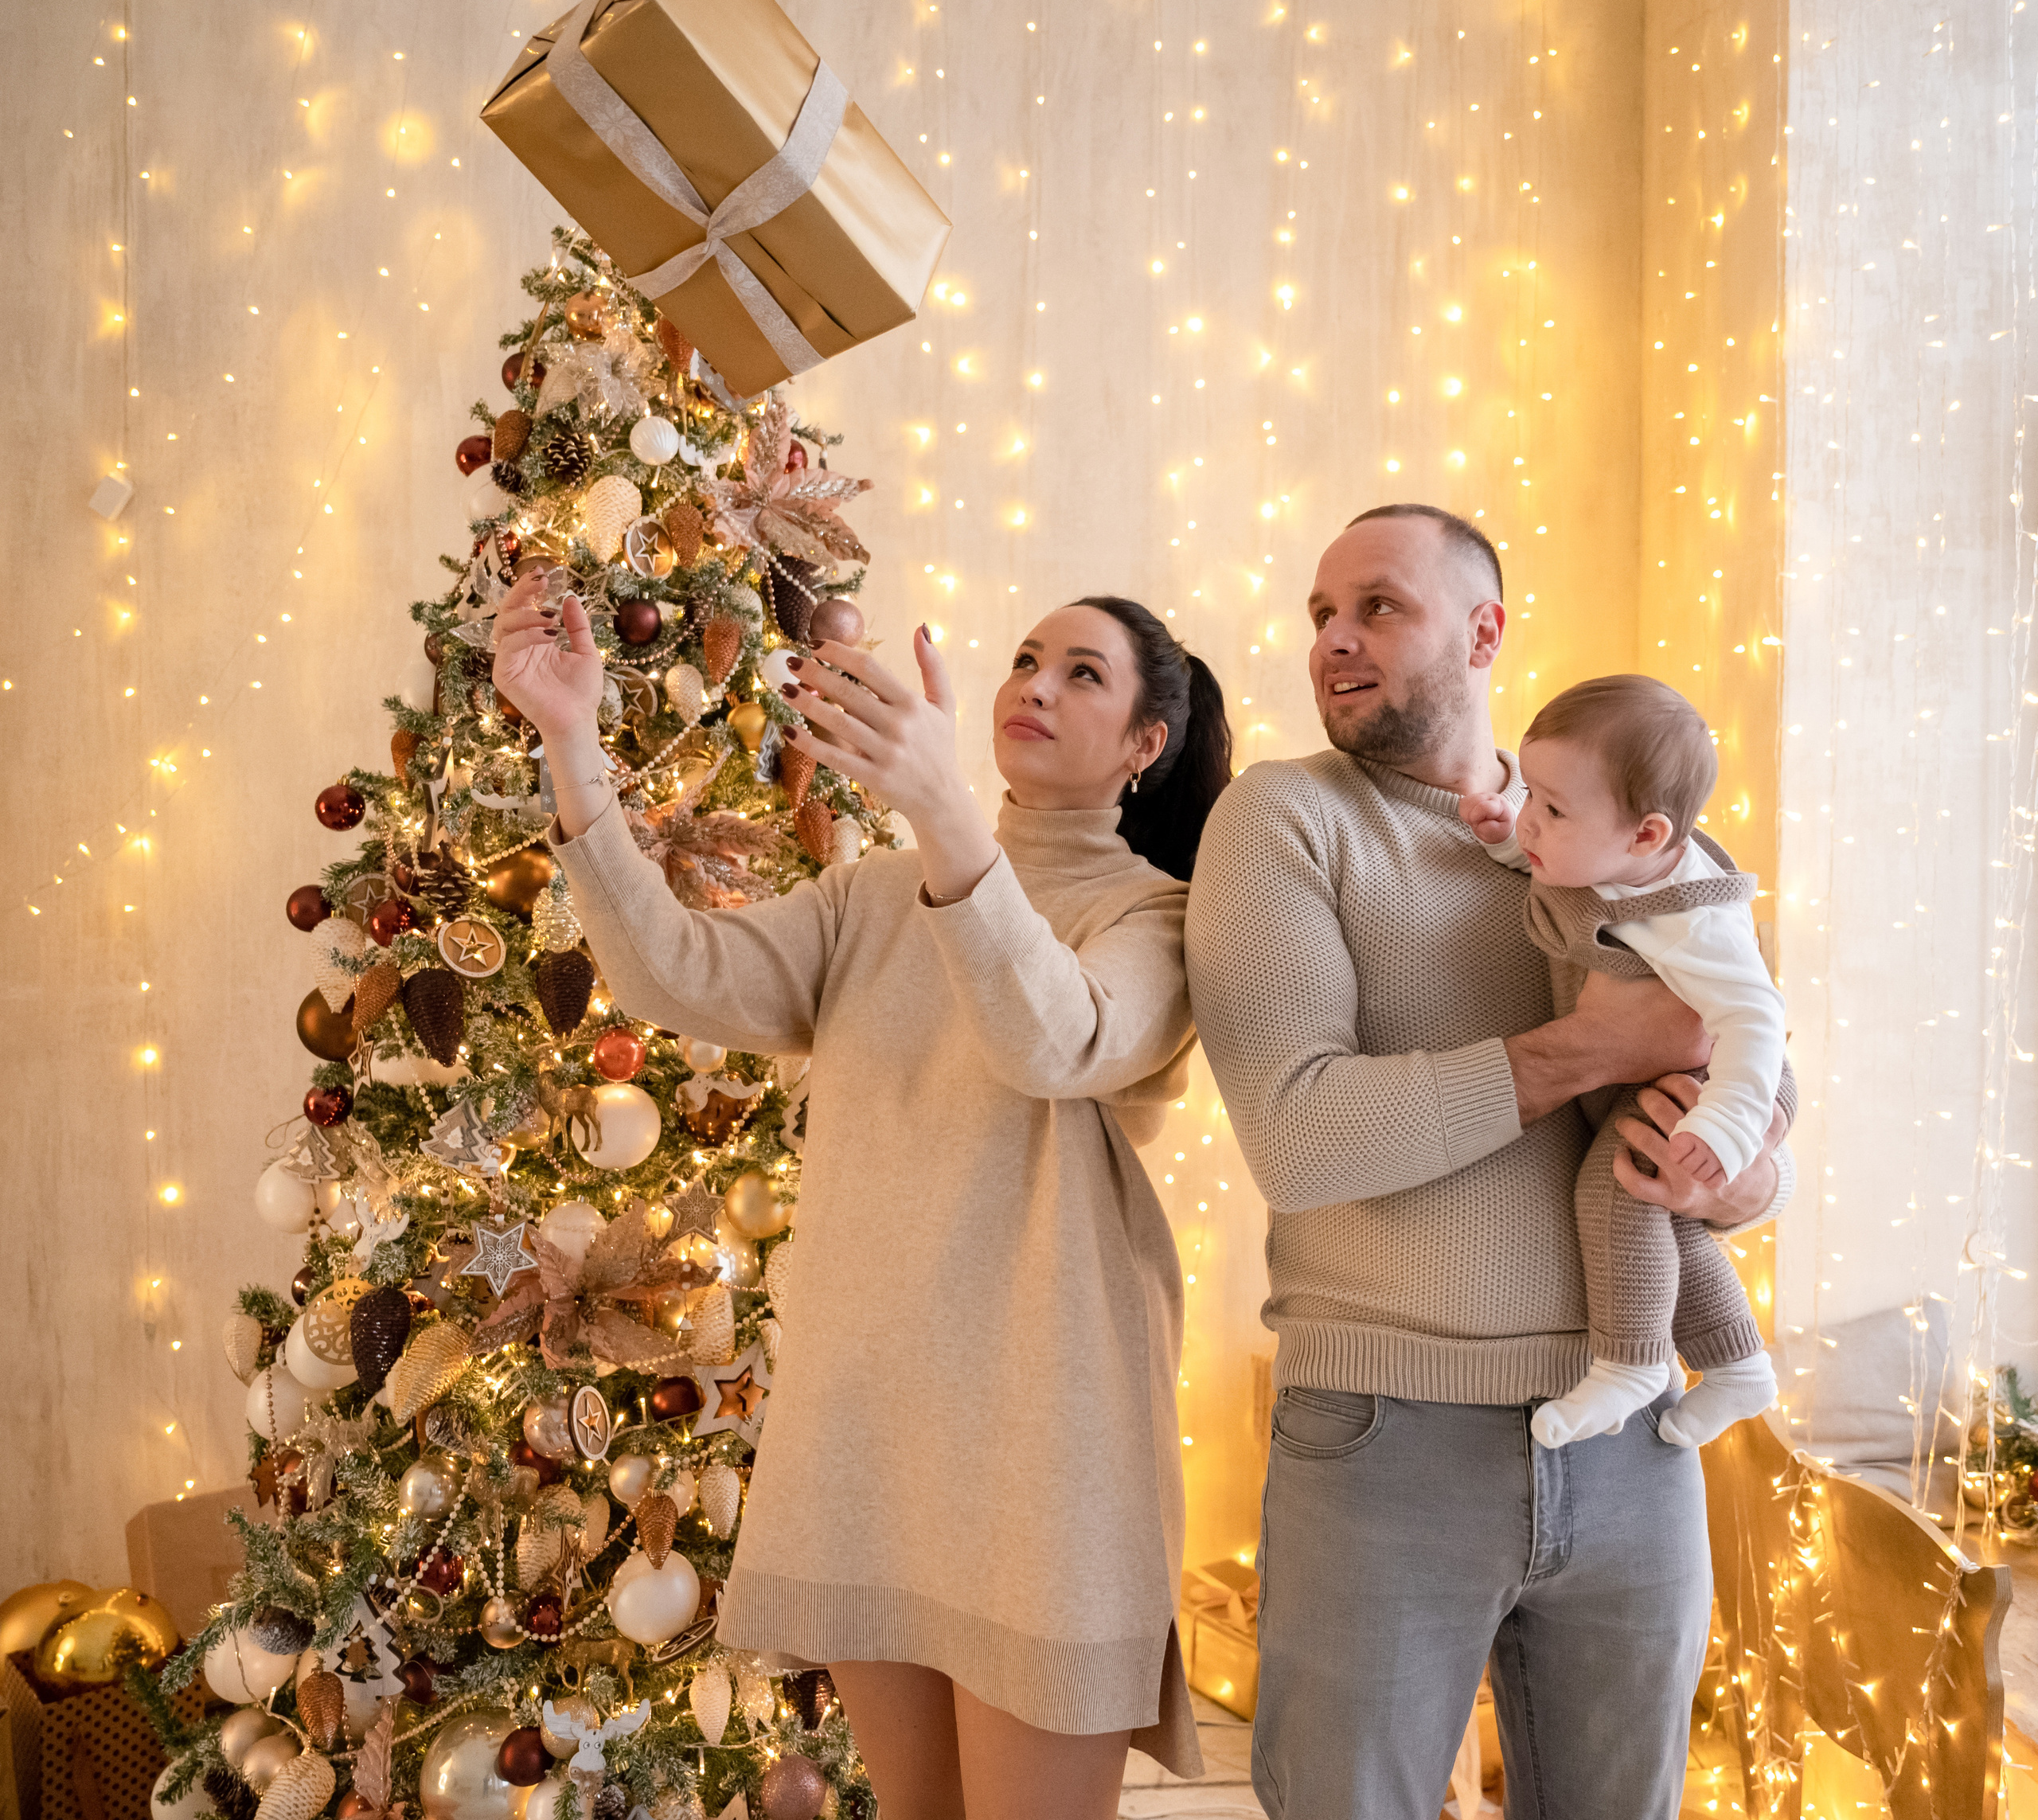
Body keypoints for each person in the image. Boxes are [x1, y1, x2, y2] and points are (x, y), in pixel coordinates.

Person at [493, 575, 1232, 1820]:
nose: (1033, 686)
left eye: (1083, 673)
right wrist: (572, 745)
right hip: (878, 1436)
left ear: (1145, 746)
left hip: (1048, 1456)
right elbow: (676, 970)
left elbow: (1052, 1038)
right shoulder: (875, 899)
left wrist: (947, 814)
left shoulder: (1154, 920)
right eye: (1026, 658)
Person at [1185, 503, 1798, 1820]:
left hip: (1634, 1437)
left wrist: (1738, 1178)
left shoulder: (1618, 836)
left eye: (1379, 607)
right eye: (1321, 615)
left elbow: (1745, 1084)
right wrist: (1581, 1048)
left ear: (1485, 629)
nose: (1336, 639)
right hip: (1386, 1439)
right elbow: (1300, 1136)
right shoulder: (1285, 819)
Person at [1458, 674, 1786, 1451]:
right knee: (1661, 1223)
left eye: (1552, 809)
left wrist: (1731, 1123)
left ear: (1646, 836)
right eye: (1529, 795)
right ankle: (1739, 1368)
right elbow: (1565, 866)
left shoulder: (1692, 920)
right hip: (1669, 1075)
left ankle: (1631, 1363)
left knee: (1614, 1192)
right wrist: (1507, 835)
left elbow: (1755, 1016)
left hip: (1719, 1079)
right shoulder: (1611, 855)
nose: (1531, 818)